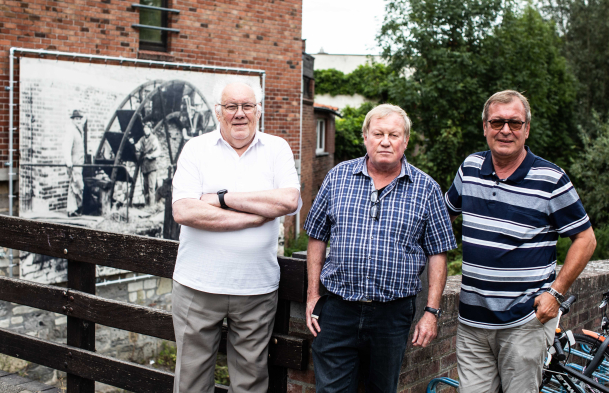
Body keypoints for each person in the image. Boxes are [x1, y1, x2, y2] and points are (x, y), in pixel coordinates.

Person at [445, 90, 597, 393]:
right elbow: (440, 220)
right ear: (485, 127)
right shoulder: (470, 168)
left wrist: (556, 293)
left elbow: (586, 238)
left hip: (524, 322)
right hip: (473, 324)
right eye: (497, 122)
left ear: (527, 129)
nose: (505, 130)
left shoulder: (550, 179)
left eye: (515, 123)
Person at [304, 104, 457, 392]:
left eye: (394, 134)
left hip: (392, 314)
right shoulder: (337, 178)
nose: (385, 141)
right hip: (337, 309)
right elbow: (316, 237)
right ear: (365, 137)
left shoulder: (426, 188)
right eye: (378, 133)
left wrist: (431, 312)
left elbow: (438, 252)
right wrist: (312, 295)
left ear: (405, 141)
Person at [171, 81, 302, 393]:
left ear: (258, 110)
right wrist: (255, 216)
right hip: (197, 286)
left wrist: (222, 198)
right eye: (231, 106)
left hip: (256, 289)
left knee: (251, 380)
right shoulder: (196, 148)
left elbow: (288, 201)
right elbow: (185, 211)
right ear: (219, 112)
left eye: (247, 106)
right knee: (191, 379)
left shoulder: (277, 148)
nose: (239, 113)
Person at [63, 109, 85, 217]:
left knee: (76, 186)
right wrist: (68, 162)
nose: (79, 121)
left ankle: (74, 209)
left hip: (79, 163)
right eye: (76, 119)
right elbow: (67, 147)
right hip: (74, 163)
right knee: (76, 186)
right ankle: (72, 210)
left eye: (80, 119)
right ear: (73, 120)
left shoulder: (79, 130)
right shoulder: (71, 130)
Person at [134, 122, 162, 207]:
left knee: (151, 187)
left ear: (150, 129)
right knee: (145, 186)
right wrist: (133, 144)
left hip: (152, 166)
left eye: (147, 129)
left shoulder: (154, 139)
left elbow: (158, 151)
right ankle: (146, 205)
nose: (146, 130)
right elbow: (137, 146)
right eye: (144, 129)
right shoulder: (142, 139)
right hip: (144, 166)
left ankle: (152, 206)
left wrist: (151, 156)